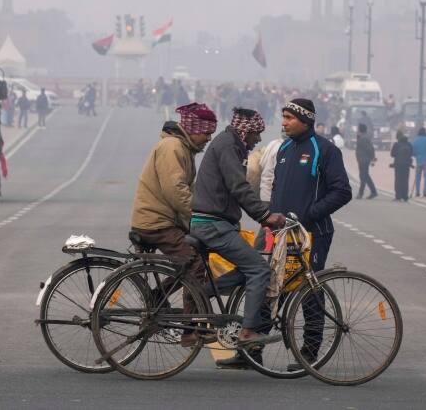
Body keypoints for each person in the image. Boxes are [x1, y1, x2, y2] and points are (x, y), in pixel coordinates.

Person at [190, 108, 286, 350]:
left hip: (216, 222)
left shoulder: (232, 145)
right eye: (257, 134)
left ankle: (201, 292)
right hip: (212, 224)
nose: (259, 140)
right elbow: (239, 187)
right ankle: (247, 332)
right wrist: (265, 216)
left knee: (251, 267)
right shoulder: (228, 146)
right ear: (247, 131)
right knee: (260, 270)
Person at [271, 98, 352, 369]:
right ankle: (253, 349)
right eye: (283, 117)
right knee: (273, 287)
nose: (284, 123)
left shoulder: (324, 150)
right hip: (283, 234)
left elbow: (342, 191)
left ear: (305, 120)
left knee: (309, 291)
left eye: (289, 118)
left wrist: (308, 214)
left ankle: (310, 351)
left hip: (313, 233)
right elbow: (276, 188)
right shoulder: (284, 148)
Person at [131, 103, 218, 347]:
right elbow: (176, 191)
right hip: (155, 222)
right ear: (193, 128)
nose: (208, 138)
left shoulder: (183, 148)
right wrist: (199, 216)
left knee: (190, 258)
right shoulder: (173, 147)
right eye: (206, 133)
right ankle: (191, 329)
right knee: (195, 262)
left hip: (165, 219)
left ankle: (160, 294)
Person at [355, 124, 377, 199]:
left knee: (363, 176)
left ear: (360, 130)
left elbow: (369, 149)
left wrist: (372, 158)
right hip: (362, 159)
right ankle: (372, 192)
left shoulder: (363, 139)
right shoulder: (363, 137)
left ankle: (362, 193)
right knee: (365, 176)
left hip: (364, 160)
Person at [390, 130, 413, 201]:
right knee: (405, 180)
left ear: (397, 137)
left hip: (398, 164)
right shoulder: (409, 144)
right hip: (407, 165)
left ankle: (398, 196)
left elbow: (392, 154)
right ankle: (405, 196)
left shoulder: (396, 144)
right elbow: (411, 153)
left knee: (398, 180)